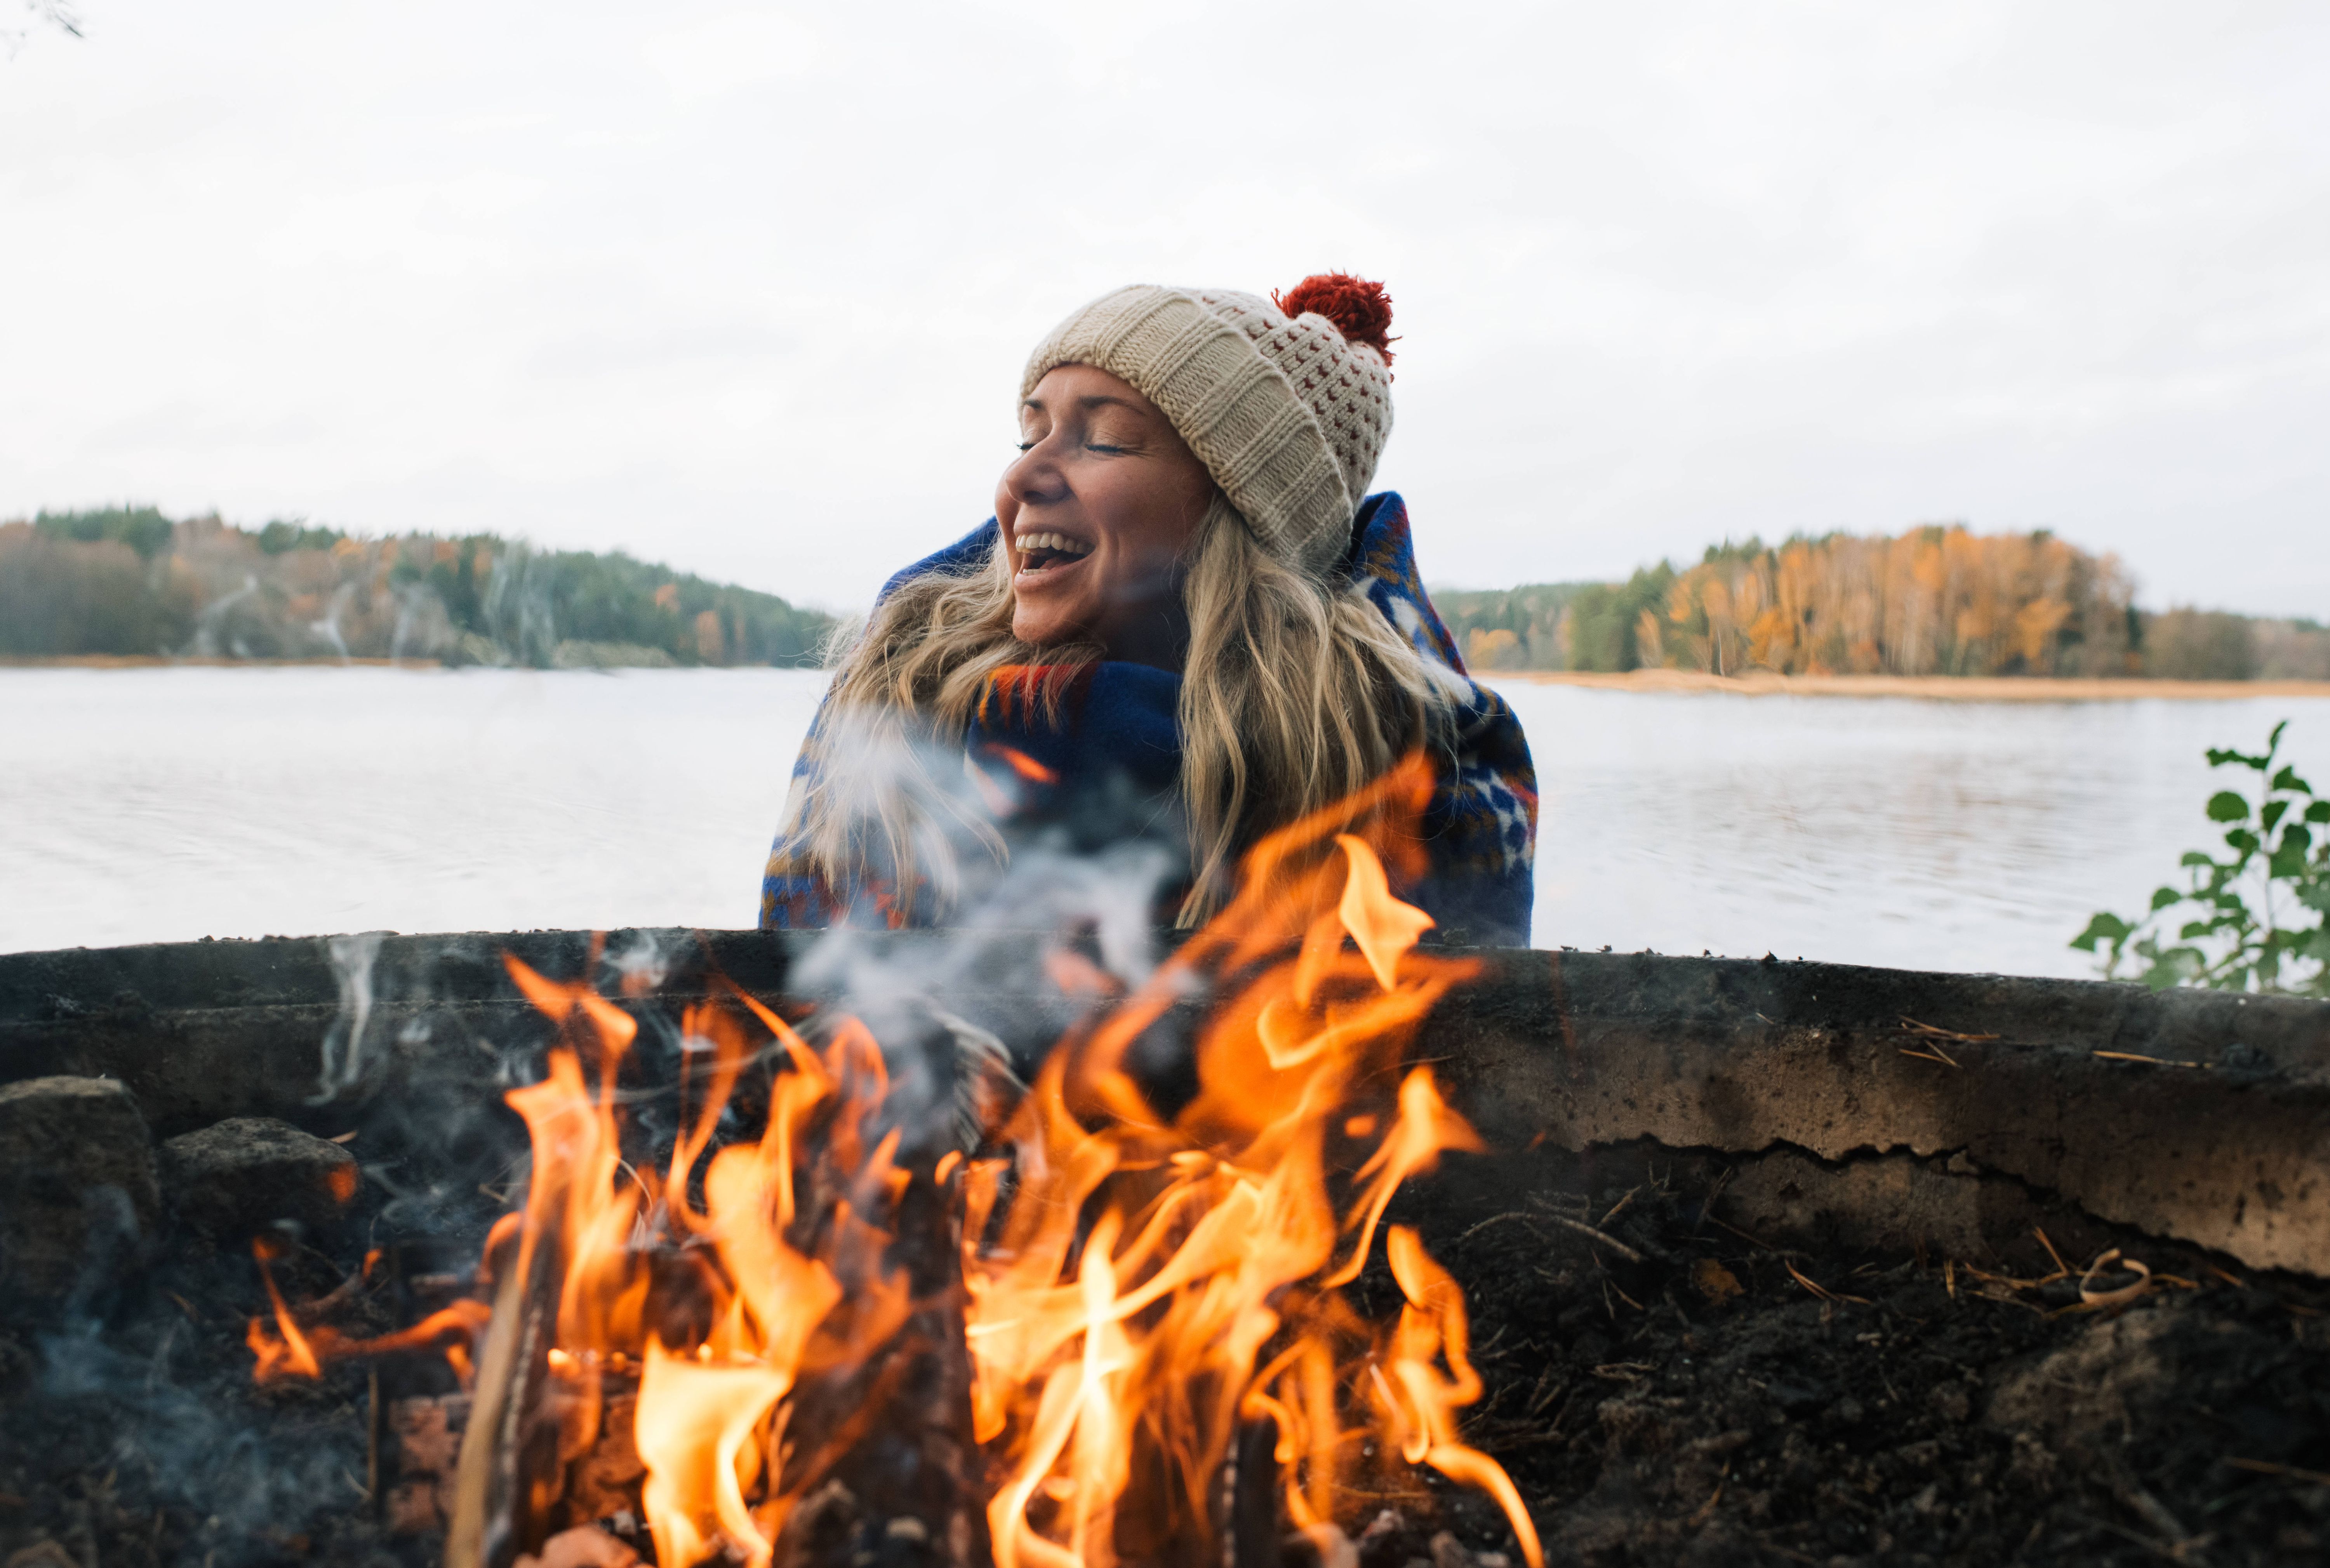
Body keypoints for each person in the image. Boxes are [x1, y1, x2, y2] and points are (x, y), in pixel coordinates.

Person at [760, 275, 1537, 946]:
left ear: (1235, 516)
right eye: (1029, 433)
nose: (1024, 475)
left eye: (1105, 440)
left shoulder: (1409, 764)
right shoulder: (898, 705)